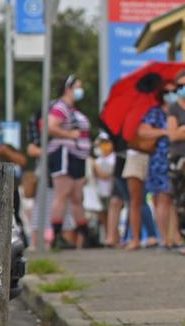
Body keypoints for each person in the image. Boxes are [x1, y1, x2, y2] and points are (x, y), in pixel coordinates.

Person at [47, 75, 92, 249]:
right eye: (78, 87)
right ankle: (56, 235)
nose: (81, 91)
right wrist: (69, 135)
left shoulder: (73, 110)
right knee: (62, 195)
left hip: (78, 155)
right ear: (68, 89)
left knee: (77, 197)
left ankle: (85, 234)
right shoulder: (60, 107)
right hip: (65, 153)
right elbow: (51, 126)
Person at [123, 72, 163, 251]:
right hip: (137, 154)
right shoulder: (134, 108)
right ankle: (135, 238)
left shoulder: (158, 107)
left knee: (156, 197)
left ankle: (153, 236)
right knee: (136, 199)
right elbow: (136, 132)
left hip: (155, 155)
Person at [143, 80, 177, 248]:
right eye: (167, 91)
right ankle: (164, 238)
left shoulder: (181, 109)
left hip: (178, 158)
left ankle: (178, 237)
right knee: (163, 199)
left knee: (177, 200)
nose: (171, 94)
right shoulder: (155, 112)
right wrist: (165, 131)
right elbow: (144, 131)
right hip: (160, 160)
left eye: (174, 90)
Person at [167, 68, 185, 255]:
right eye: (181, 86)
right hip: (178, 159)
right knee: (181, 202)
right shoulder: (173, 107)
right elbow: (172, 135)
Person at [93, 132, 115, 243]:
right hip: (101, 190)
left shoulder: (113, 158)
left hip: (112, 190)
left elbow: (106, 175)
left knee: (113, 212)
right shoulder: (97, 160)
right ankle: (108, 235)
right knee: (103, 214)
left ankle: (114, 236)